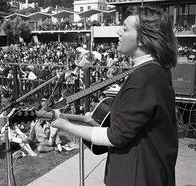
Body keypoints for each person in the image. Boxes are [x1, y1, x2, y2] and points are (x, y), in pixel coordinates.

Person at [51, 6, 178, 186]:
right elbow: (130, 125)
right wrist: (89, 119)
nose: (119, 31)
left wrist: (65, 125)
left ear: (142, 39)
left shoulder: (145, 77)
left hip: (137, 177)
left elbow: (116, 137)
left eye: (125, 29)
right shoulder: (152, 71)